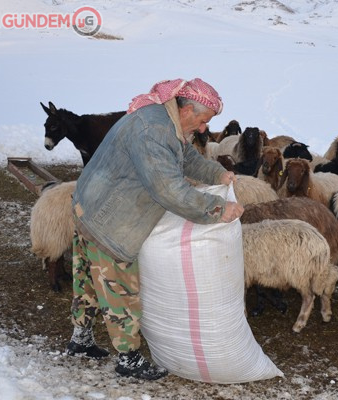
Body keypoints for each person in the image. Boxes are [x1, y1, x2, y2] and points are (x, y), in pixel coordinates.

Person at [65, 78, 244, 380]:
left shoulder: (164, 118)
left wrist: (217, 173)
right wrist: (216, 209)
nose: (204, 129)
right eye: (203, 121)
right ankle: (128, 358)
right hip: (111, 219)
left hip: (89, 206)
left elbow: (184, 157)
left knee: (86, 277)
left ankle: (80, 339)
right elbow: (169, 190)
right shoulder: (154, 131)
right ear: (187, 110)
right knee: (118, 287)